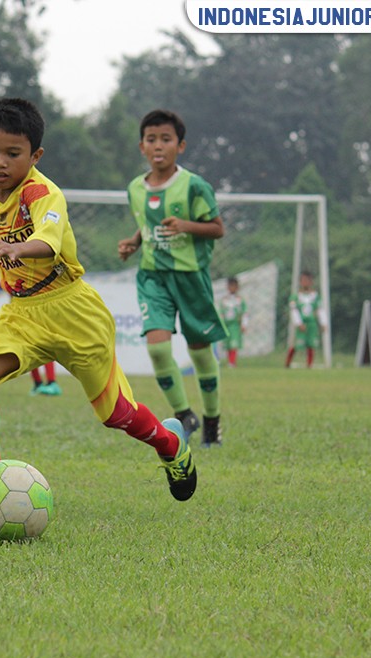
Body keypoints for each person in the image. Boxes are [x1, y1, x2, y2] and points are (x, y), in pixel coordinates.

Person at [0, 97, 197, 513]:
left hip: (73, 311)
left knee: (116, 414)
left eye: (13, 153)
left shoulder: (43, 193)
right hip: (22, 313)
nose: (0, 162)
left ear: (35, 155)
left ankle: (171, 445)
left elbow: (48, 240)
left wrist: (17, 247)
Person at [118, 109, 227, 448]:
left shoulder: (194, 186)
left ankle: (212, 422)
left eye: (166, 139)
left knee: (200, 352)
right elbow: (147, 223)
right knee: (158, 349)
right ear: (142, 147)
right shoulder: (135, 189)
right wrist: (134, 242)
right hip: (153, 278)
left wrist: (186, 226)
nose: (158, 146)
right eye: (151, 139)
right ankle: (184, 415)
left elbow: (217, 228)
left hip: (191, 278)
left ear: (180, 146)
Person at [285, 271, 326, 369]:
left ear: (311, 282)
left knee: (311, 344)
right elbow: (294, 310)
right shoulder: (296, 296)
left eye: (307, 280)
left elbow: (320, 309)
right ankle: (287, 364)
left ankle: (309, 365)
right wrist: (298, 323)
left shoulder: (315, 296)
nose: (305, 282)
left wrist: (323, 322)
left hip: (312, 323)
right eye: (303, 280)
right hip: (301, 323)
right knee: (296, 344)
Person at [219, 276, 247, 368]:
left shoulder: (240, 300)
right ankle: (229, 361)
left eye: (234, 286)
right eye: (230, 285)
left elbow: (244, 312)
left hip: (235, 325)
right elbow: (221, 313)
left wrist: (244, 324)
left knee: (234, 343)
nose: (232, 288)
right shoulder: (224, 300)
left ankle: (232, 362)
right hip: (226, 325)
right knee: (227, 344)